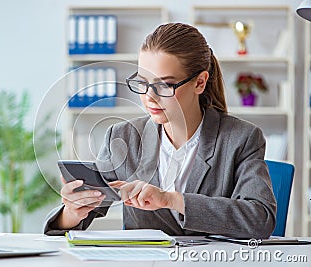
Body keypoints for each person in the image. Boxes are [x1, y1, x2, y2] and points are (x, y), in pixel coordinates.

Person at [43, 23, 277, 239]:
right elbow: (76, 218)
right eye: (142, 82)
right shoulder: (123, 137)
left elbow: (260, 219)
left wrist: (171, 200)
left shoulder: (241, 139)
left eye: (164, 84)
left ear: (200, 82)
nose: (149, 97)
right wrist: (73, 211)